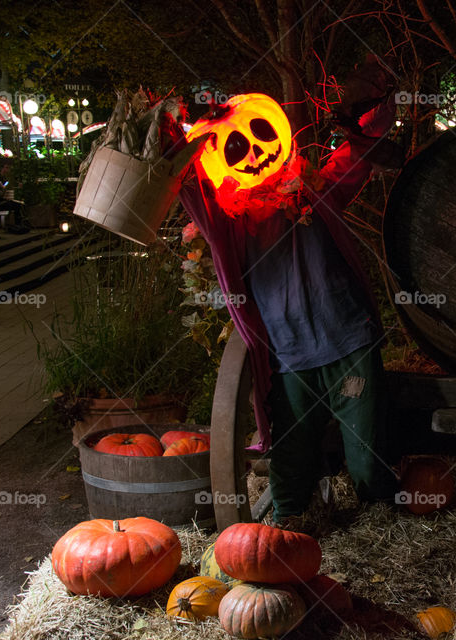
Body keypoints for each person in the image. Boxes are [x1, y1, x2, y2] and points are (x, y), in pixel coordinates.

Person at [178, 88, 401, 533]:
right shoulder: (230, 224)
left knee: (367, 453)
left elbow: (355, 158)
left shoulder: (314, 191)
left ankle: (382, 520)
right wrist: (171, 128)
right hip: (288, 358)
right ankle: (285, 530)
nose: (257, 151)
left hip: (348, 344)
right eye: (238, 147)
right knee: (291, 458)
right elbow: (190, 187)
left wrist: (369, 118)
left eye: (259, 135)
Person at [0, 164, 28, 233]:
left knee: (16, 205)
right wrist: (4, 189)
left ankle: (19, 225)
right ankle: (18, 225)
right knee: (17, 206)